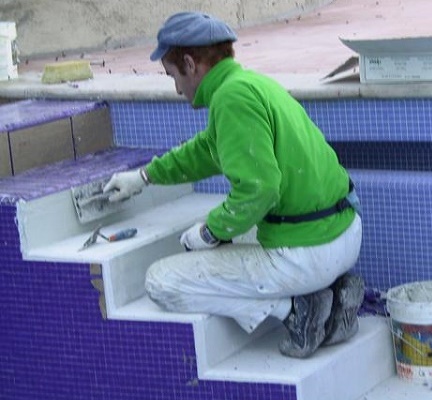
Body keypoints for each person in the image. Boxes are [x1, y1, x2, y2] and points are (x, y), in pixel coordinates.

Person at [103, 11, 364, 359]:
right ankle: (332, 295)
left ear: (190, 63)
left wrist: (210, 232)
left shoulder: (231, 99)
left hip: (310, 253)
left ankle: (297, 311)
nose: (177, 89)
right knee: (235, 235)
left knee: (162, 281)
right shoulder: (250, 84)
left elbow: (260, 189)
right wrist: (143, 177)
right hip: (341, 233)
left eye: (173, 75)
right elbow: (204, 151)